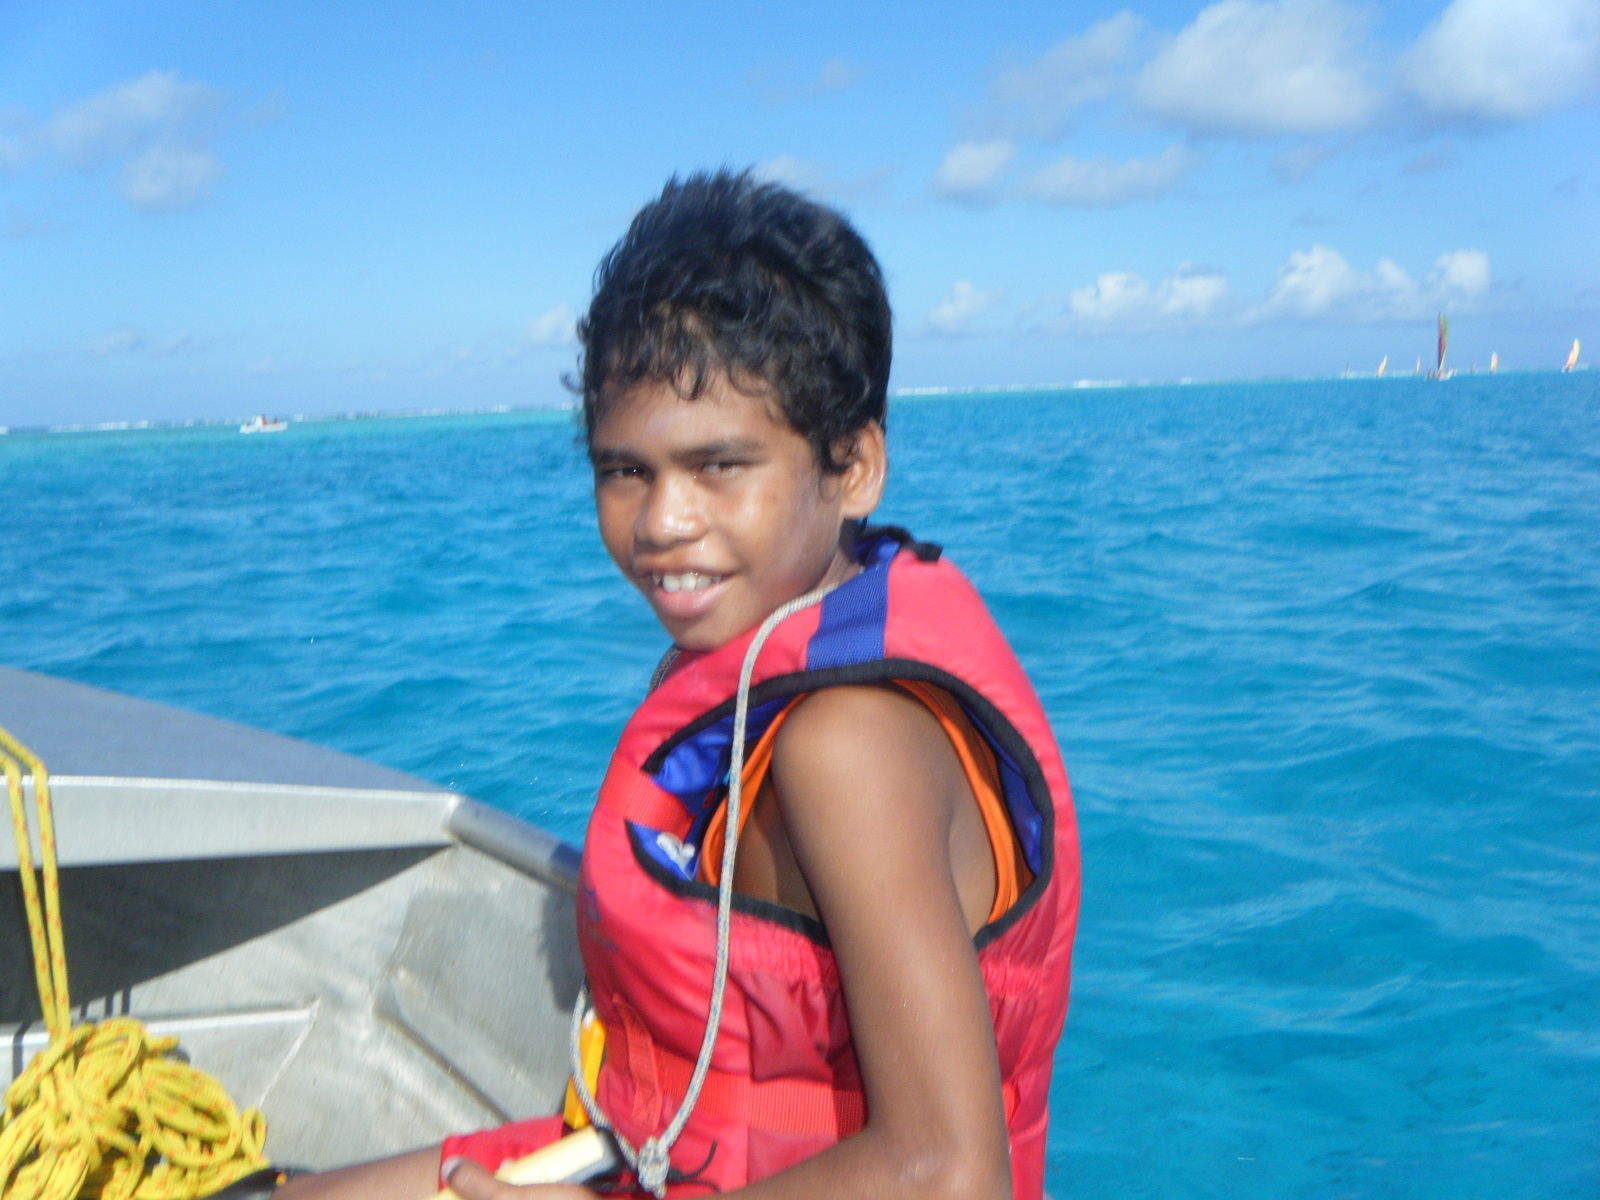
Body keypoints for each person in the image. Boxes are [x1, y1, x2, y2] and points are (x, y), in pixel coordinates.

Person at [279, 170, 1078, 1200]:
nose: (661, 522)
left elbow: (946, 1174)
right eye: (626, 471)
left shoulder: (849, 744)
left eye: (719, 467)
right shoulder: (754, 660)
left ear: (853, 467)